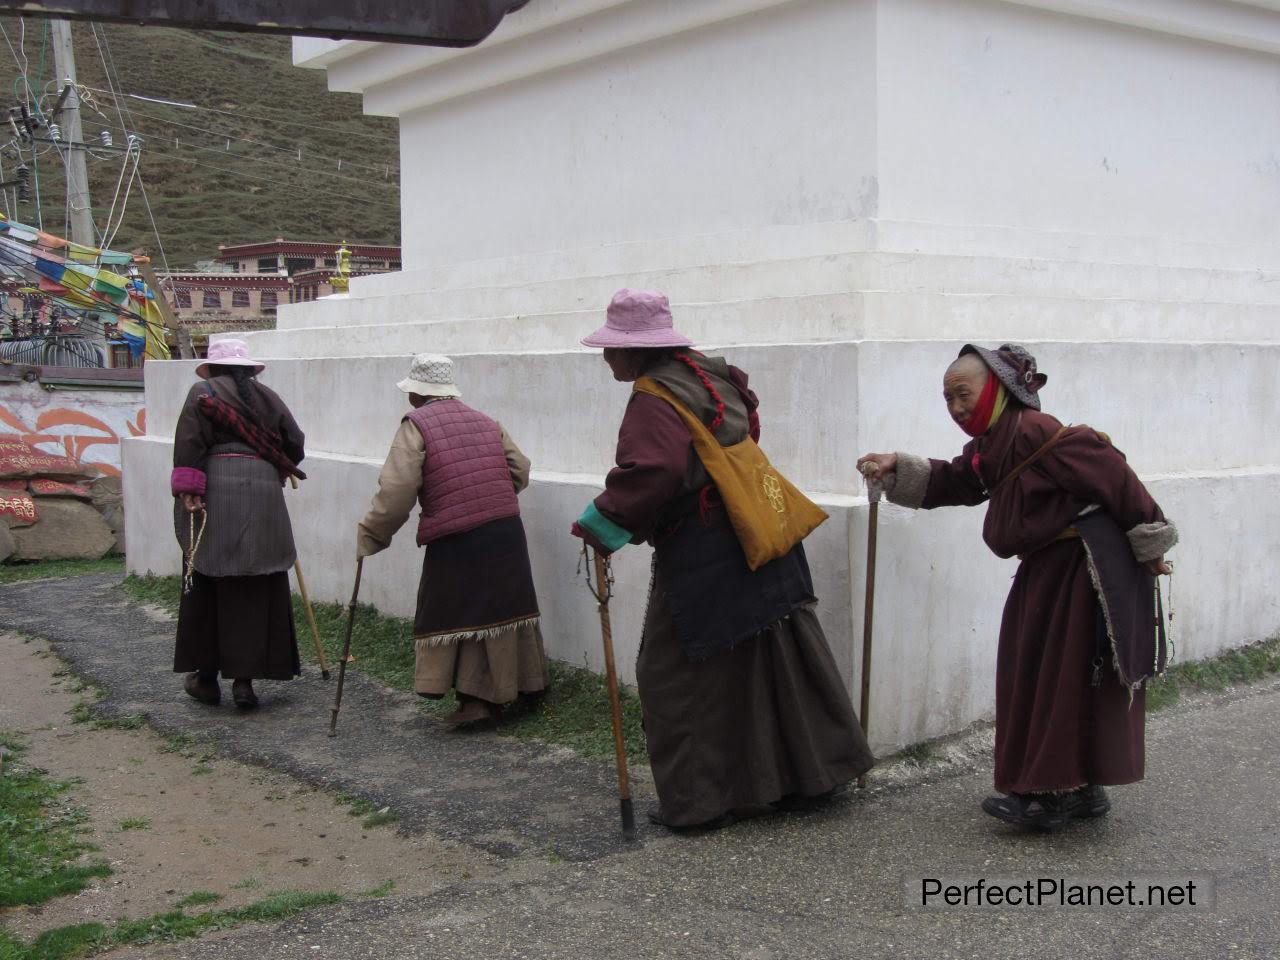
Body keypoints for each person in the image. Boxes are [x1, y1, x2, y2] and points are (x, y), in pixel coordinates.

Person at [572, 288, 873, 832]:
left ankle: (700, 800)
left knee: (673, 673)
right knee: (773, 654)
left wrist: (601, 521)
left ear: (636, 351)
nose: (606, 356)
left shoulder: (653, 395)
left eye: (612, 347)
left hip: (709, 550)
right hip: (758, 530)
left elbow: (656, 472)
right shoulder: (710, 374)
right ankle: (810, 776)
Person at [858, 344, 1177, 831]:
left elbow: (1112, 473)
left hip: (1080, 569)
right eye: (947, 400)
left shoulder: (1035, 432)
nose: (957, 408)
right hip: (1048, 568)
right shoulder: (994, 443)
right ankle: (1081, 789)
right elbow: (959, 482)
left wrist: (1149, 540)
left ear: (998, 389)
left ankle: (1048, 796)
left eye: (963, 394)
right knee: (1051, 672)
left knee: (1057, 675)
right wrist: (895, 466)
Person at [356, 353, 546, 727]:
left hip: (458, 536)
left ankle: (477, 702)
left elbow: (397, 490)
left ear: (415, 394)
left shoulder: (415, 426)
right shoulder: (486, 421)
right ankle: (523, 686)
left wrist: (372, 534)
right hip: (504, 528)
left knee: (462, 612)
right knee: (504, 608)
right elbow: (519, 469)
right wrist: (489, 493)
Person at [171, 339, 306, 709]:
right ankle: (244, 685)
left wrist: (189, 489)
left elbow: (189, 442)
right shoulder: (268, 397)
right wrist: (271, 464)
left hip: (216, 491)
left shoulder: (203, 391)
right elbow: (295, 443)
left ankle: (207, 679)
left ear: (214, 368)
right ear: (248, 370)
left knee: (208, 579)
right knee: (256, 582)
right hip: (264, 493)